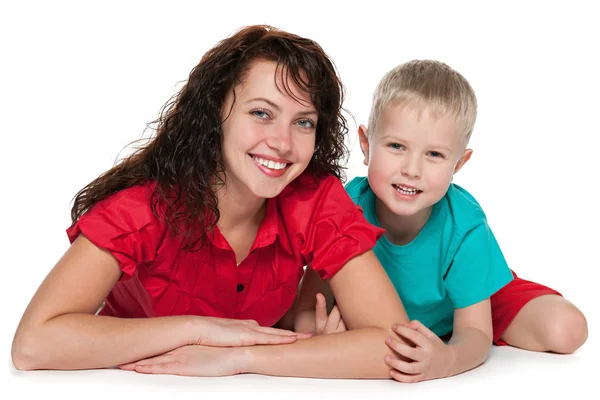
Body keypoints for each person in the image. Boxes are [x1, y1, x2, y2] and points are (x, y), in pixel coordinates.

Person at [11, 25, 411, 379]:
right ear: (215, 113)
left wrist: (241, 358)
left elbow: (396, 348)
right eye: (261, 113)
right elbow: (33, 344)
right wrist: (199, 330)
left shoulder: (315, 198)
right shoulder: (140, 210)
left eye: (303, 122)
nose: (283, 143)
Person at [293, 59, 589, 383]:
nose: (412, 169)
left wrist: (449, 358)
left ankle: (481, 298)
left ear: (459, 163)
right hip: (390, 313)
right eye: (396, 146)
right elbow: (307, 307)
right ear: (366, 144)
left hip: (469, 296)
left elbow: (474, 332)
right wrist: (319, 332)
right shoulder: (343, 208)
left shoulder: (465, 225)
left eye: (434, 154)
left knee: (567, 329)